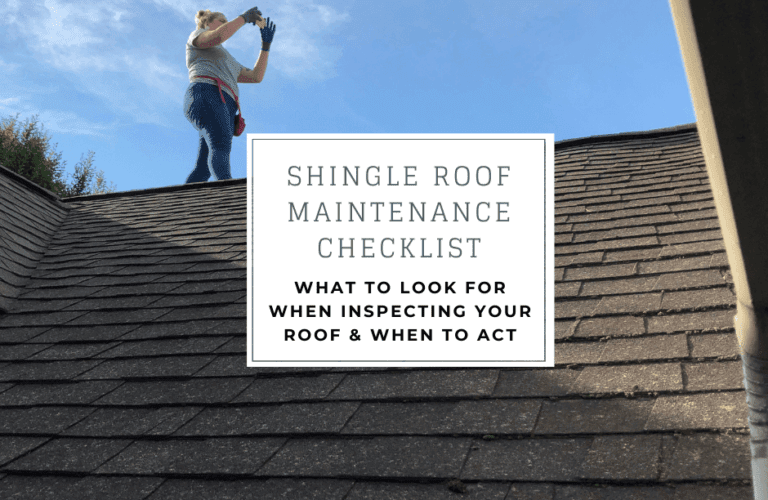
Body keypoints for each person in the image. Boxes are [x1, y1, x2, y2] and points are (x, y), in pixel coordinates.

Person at [184, 8, 277, 183]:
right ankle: (229, 192)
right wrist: (243, 18)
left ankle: (181, 206)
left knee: (203, 168)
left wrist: (265, 46)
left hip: (225, 103)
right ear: (208, 23)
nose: (226, 25)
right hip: (207, 93)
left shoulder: (228, 59)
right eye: (222, 21)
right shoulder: (197, 36)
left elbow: (256, 77)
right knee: (220, 147)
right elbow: (218, 36)